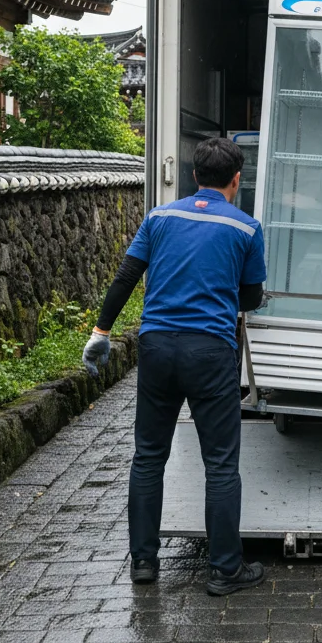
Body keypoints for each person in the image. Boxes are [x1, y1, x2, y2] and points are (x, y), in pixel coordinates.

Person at [82, 137, 267, 596]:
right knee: (220, 463)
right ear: (237, 179)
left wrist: (101, 333)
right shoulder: (246, 228)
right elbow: (252, 298)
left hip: (157, 347)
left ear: (193, 177)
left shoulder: (159, 217)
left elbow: (126, 276)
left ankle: (144, 562)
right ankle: (225, 571)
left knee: (148, 455)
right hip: (210, 352)